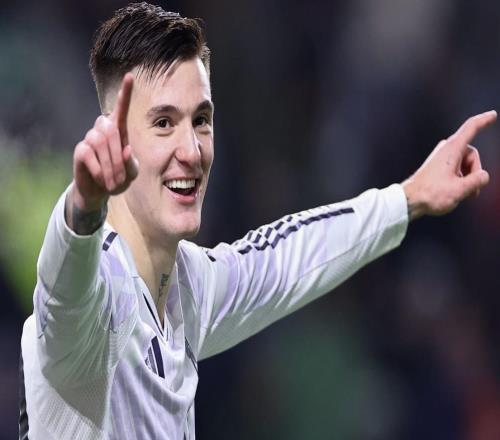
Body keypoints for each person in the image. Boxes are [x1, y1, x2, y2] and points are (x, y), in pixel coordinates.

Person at [18, 2, 496, 439]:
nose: (192, 150)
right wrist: (83, 207)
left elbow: (290, 253)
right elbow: (64, 290)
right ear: (116, 138)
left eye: (200, 120)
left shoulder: (190, 285)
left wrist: (408, 197)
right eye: (163, 123)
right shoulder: (92, 305)